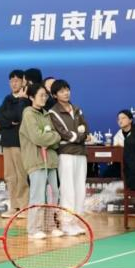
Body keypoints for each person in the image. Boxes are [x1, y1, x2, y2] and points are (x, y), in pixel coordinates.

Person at [19, 82, 62, 239]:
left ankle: (50, 226)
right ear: (31, 97)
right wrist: (51, 138)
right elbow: (37, 138)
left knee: (53, 194)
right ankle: (34, 229)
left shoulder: (46, 114)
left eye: (45, 95)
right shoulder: (28, 114)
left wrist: (51, 138)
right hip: (36, 161)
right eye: (41, 95)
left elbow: (57, 138)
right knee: (38, 195)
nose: (44, 98)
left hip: (50, 160)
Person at [49, 79, 90, 235]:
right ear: (55, 95)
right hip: (66, 154)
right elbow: (63, 134)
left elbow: (85, 129)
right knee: (67, 189)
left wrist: (79, 136)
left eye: (67, 89)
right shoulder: (53, 112)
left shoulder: (77, 109)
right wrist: (79, 137)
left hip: (81, 153)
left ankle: (76, 222)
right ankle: (66, 223)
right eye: (61, 91)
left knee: (80, 189)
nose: (66, 93)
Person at [0, 69, 30, 218]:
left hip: (19, 142)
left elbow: (19, 116)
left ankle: (24, 206)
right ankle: (13, 206)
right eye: (11, 81)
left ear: (23, 82)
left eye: (16, 80)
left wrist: (9, 118)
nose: (13, 84)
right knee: (9, 176)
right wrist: (10, 121)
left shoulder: (26, 99)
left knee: (21, 175)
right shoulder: (7, 98)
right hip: (7, 141)